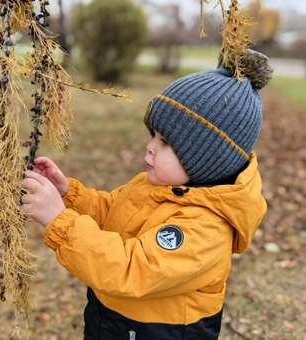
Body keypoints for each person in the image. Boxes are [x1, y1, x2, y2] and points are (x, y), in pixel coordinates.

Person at [22, 49, 272, 340]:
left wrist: (59, 219)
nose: (151, 146)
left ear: (206, 160)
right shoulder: (154, 185)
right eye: (153, 134)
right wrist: (68, 195)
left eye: (165, 142)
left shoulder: (206, 227)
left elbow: (129, 269)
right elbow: (110, 212)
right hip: (113, 321)